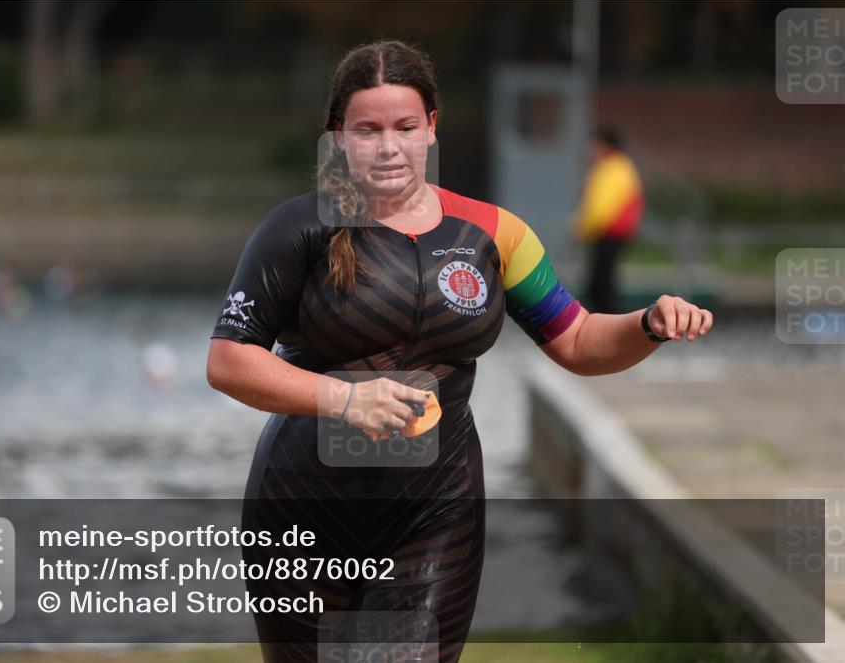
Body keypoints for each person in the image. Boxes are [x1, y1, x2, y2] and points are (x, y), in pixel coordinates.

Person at [206, 40, 712, 662]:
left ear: (432, 129)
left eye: (405, 127)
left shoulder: (496, 233)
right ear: (339, 136)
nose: (388, 146)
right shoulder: (296, 229)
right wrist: (342, 399)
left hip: (435, 507)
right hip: (304, 505)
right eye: (367, 129)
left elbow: (578, 341)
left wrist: (649, 324)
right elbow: (229, 360)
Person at [572, 127, 644, 314]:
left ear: (604, 145)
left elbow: (600, 209)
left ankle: (606, 327)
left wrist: (581, 229)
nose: (590, 149)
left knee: (600, 286)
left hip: (608, 233)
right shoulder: (622, 167)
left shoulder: (610, 169)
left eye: (594, 144)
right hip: (614, 233)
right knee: (602, 283)